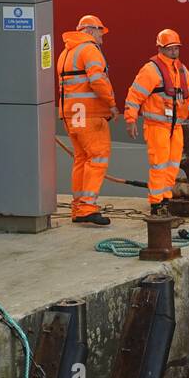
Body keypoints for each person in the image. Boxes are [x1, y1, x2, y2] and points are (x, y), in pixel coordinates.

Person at [124, 28, 189, 215]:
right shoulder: (151, 70)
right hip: (157, 127)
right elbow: (135, 95)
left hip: (176, 127)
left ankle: (165, 199)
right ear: (160, 48)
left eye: (176, 48)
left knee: (172, 165)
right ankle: (156, 204)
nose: (173, 52)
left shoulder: (182, 71)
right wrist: (130, 119)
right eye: (170, 48)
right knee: (159, 164)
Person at [57, 14, 119, 225]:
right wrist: (111, 104)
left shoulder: (66, 52)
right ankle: (87, 207)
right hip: (89, 113)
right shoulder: (90, 50)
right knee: (98, 157)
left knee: (81, 158)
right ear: (91, 30)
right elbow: (98, 80)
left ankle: (78, 206)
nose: (102, 35)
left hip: (71, 113)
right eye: (101, 31)